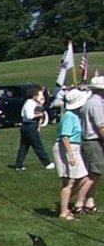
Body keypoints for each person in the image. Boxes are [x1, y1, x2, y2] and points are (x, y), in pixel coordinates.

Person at [53, 88, 91, 219]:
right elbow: (64, 137)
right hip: (66, 148)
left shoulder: (74, 116)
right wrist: (70, 155)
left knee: (84, 178)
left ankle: (64, 204)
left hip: (74, 147)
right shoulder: (69, 116)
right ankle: (64, 212)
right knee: (68, 182)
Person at [78, 76, 104, 213]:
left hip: (88, 141)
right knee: (93, 173)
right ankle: (79, 202)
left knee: (95, 173)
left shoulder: (89, 102)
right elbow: (101, 126)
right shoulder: (97, 104)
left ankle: (89, 201)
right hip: (93, 141)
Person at [13, 86, 54, 171]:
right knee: (38, 145)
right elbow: (29, 116)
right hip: (30, 126)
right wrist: (39, 115)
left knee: (24, 147)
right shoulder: (31, 103)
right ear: (33, 95)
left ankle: (18, 164)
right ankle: (47, 163)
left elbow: (22, 114)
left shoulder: (26, 103)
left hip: (25, 126)